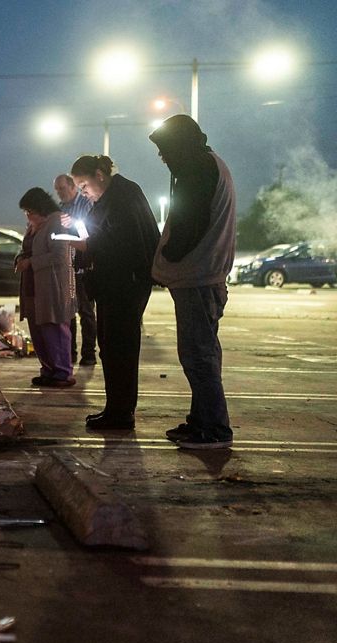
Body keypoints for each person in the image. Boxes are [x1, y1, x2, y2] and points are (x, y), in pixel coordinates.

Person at [149, 115, 235, 450]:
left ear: (179, 144)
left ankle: (214, 427)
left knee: (198, 355)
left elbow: (190, 222)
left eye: (165, 150)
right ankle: (201, 420)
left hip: (198, 276)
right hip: (202, 276)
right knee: (203, 352)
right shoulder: (208, 163)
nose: (163, 157)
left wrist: (168, 255)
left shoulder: (197, 167)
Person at [67, 155, 160, 431]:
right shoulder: (109, 198)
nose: (84, 192)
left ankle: (122, 413)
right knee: (109, 346)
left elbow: (123, 241)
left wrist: (85, 245)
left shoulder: (124, 195)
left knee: (121, 348)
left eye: (84, 185)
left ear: (100, 175)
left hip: (125, 285)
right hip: (111, 283)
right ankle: (115, 408)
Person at [15, 188, 76, 387]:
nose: (27, 215)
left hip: (51, 284)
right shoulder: (33, 226)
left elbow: (60, 255)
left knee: (54, 327)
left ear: (40, 207)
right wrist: (21, 259)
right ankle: (47, 368)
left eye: (29, 210)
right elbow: (26, 248)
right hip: (32, 286)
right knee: (37, 328)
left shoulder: (57, 222)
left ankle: (62, 371)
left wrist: (31, 262)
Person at [54, 173, 97, 366]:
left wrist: (72, 226)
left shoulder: (85, 204)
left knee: (86, 313)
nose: (60, 193)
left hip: (83, 268)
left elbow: (90, 235)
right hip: (66, 267)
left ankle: (88, 353)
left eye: (62, 189)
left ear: (72, 187)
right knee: (67, 313)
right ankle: (68, 352)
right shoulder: (61, 208)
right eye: (57, 190)